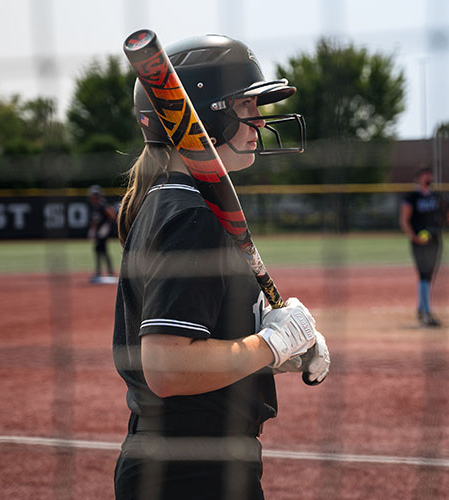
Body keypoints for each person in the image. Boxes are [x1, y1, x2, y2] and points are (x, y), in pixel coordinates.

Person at [112, 34, 330, 500]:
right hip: (190, 471)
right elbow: (168, 367)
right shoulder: (189, 215)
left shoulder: (179, 203)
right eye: (246, 107)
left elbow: (206, 344)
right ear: (208, 113)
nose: (258, 122)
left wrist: (282, 350)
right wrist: (270, 344)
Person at [399, 167, 449, 328]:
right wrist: (414, 237)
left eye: (430, 174)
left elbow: (446, 217)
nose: (429, 177)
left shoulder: (436, 196)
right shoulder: (412, 197)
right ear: (418, 178)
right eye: (425, 174)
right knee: (424, 274)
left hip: (435, 240)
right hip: (419, 242)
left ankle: (421, 308)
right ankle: (426, 313)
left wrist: (448, 217)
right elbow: (404, 220)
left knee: (430, 275)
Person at [87, 184, 118, 283]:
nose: (92, 198)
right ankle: (101, 271)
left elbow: (112, 215)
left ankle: (107, 272)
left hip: (103, 232)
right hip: (99, 232)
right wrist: (92, 230)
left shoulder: (102, 204)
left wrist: (107, 226)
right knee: (99, 250)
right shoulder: (95, 206)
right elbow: (95, 220)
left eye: (93, 196)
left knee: (102, 250)